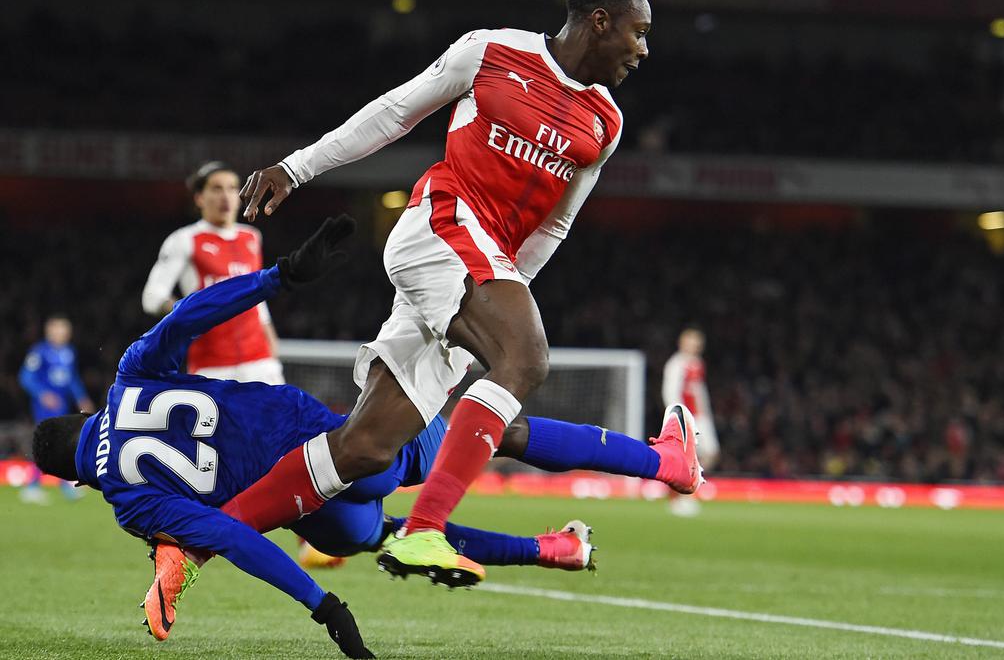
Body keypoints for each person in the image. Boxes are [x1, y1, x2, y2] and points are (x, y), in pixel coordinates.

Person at [30, 215, 698, 652]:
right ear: (85, 419)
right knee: (496, 427)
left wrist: (323, 607)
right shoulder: (130, 377)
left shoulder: (127, 499)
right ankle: (661, 462)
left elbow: (235, 536)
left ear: (77, 475)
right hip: (329, 443)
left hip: (305, 515)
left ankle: (553, 549)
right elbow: (187, 317)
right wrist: (278, 277)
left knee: (378, 532)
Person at [228, 0, 687, 587]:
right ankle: (423, 532)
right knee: (526, 360)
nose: (642, 49)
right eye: (637, 32)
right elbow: (394, 113)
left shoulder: (605, 123)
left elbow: (554, 225)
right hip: (437, 225)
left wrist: (502, 296)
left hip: (477, 267)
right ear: (599, 21)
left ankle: (197, 541)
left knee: (366, 447)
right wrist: (297, 167)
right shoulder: (491, 52)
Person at [142, 160, 283, 384]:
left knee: (278, 419)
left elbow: (257, 298)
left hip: (260, 360)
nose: (226, 196)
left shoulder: (252, 237)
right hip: (211, 365)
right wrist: (189, 311)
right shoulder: (184, 240)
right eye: (216, 188)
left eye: (232, 188)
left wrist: (271, 338)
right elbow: (151, 297)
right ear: (199, 198)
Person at [19, 315, 93, 503]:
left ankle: (60, 486)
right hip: (45, 405)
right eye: (58, 330)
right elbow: (26, 377)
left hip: (62, 404)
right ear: (49, 332)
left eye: (65, 330)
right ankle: (33, 486)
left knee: (59, 443)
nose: (62, 334)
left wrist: (81, 397)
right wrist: (42, 394)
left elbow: (72, 379)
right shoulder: (40, 352)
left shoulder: (69, 352)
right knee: (48, 442)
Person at [662, 327, 720, 516]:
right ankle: (677, 498)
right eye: (692, 343)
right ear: (682, 343)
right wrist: (678, 417)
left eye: (698, 344)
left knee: (710, 454)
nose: (695, 347)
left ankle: (685, 493)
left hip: (700, 417)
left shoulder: (697, 363)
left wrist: (705, 412)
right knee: (685, 458)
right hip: (686, 418)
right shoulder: (676, 364)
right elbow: (670, 391)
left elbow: (699, 391)